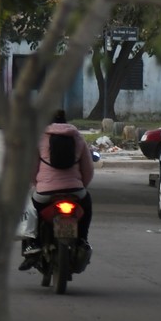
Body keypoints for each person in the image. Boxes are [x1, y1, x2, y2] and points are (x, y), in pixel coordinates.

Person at [18, 110, 94, 271]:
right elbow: (88, 170)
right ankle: (82, 238)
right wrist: (81, 187)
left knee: (31, 211)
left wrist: (37, 184)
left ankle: (33, 244)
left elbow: (31, 169)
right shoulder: (77, 137)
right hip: (75, 190)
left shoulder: (39, 138)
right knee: (87, 206)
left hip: (45, 192)